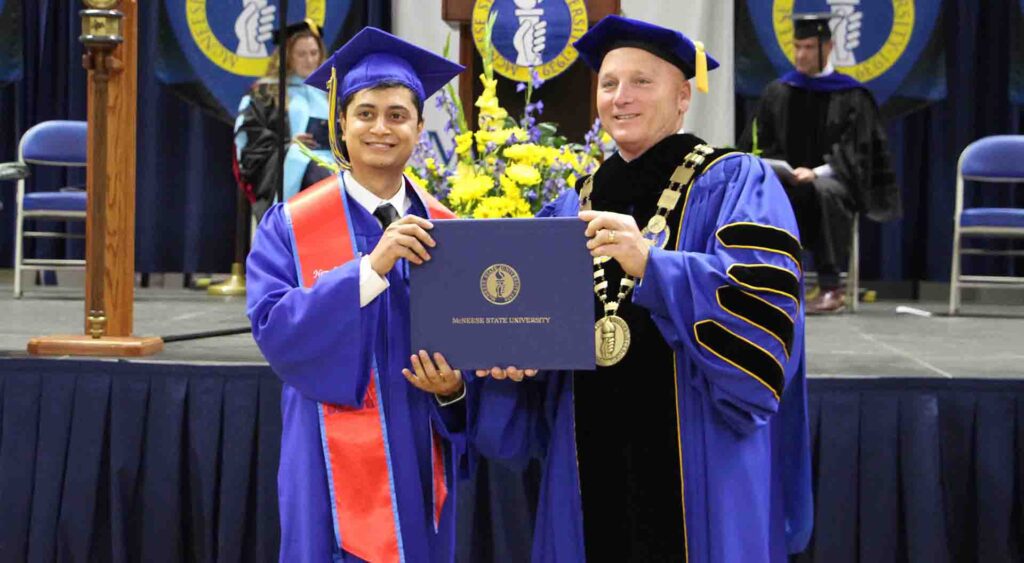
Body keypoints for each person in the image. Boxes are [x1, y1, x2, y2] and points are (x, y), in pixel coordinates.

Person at [470, 15, 813, 562]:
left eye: (641, 82)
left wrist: (656, 268)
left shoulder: (734, 181)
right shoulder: (570, 205)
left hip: (702, 450)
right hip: (587, 454)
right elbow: (536, 339)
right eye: (609, 84)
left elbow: (763, 309)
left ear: (682, 97)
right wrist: (515, 360)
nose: (620, 98)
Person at [246, 27, 468, 562]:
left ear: (418, 127)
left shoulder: (453, 232)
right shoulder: (293, 226)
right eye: (365, 113)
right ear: (340, 125)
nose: (380, 128)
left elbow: (478, 351)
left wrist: (454, 390)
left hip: (419, 449)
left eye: (397, 115)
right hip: (323, 457)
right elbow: (274, 328)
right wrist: (370, 268)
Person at [738, 12, 900, 314]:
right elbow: (759, 142)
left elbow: (856, 151)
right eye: (797, 46)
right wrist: (779, 169)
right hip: (788, 181)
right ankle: (761, 280)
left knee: (822, 192)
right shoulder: (779, 91)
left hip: (835, 181)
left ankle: (831, 286)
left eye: (809, 48)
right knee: (757, 190)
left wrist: (815, 172)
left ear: (829, 47)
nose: (800, 55)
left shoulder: (852, 95)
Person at [234, 19, 333, 220]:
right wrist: (288, 145)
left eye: (314, 53)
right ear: (287, 57)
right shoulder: (266, 93)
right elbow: (248, 142)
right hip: (292, 171)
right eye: (301, 54)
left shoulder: (330, 93)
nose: (309, 60)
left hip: (334, 168)